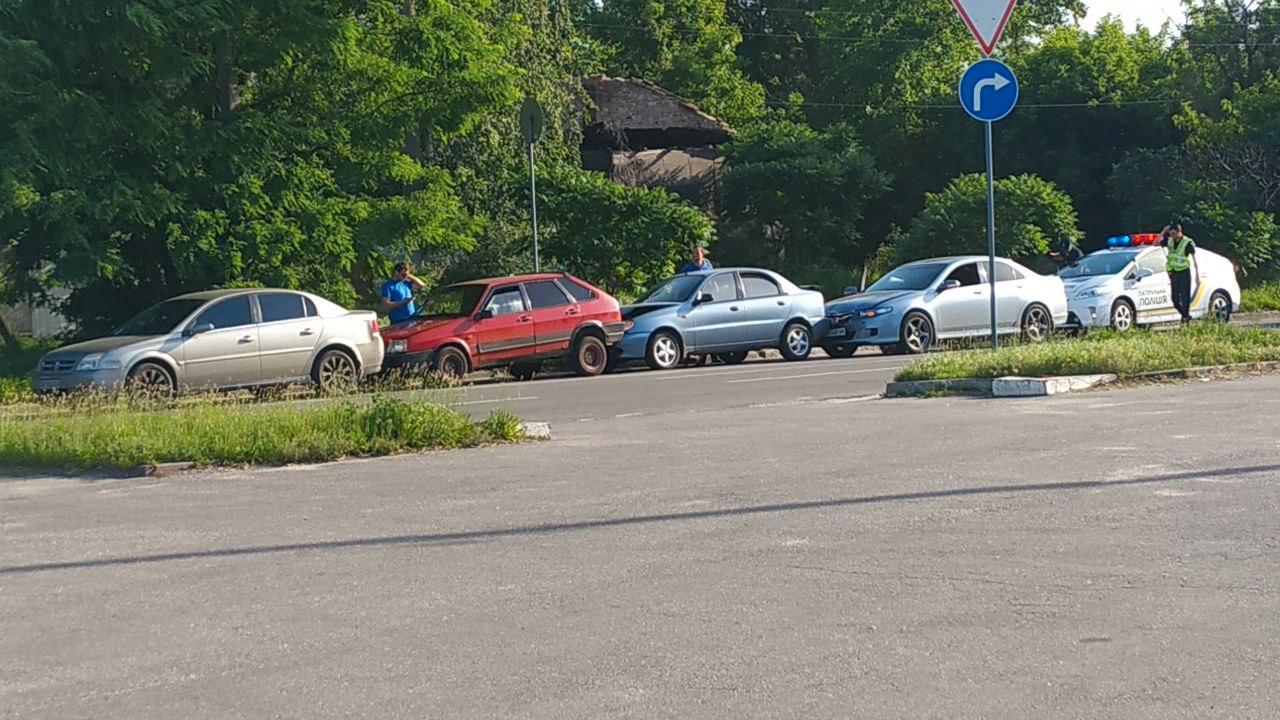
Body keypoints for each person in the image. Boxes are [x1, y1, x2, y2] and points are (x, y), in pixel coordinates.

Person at [1161, 223, 1198, 324]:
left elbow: (1195, 260)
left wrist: (1197, 276)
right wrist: (1163, 231)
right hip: (1174, 273)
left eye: (1173, 233)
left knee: (1185, 298)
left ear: (1179, 232)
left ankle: (1185, 319)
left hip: (1184, 272)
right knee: (1175, 299)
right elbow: (1155, 244)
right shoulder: (1169, 241)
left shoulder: (1187, 243)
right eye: (1170, 234)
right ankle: (1185, 315)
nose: (1172, 236)